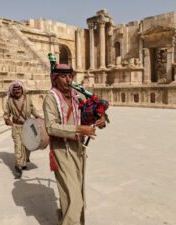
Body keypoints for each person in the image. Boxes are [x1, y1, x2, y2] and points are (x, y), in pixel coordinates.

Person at [43, 64, 105, 225]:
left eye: (70, 76)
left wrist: (99, 120)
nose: (68, 80)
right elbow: (50, 126)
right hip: (61, 150)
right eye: (63, 77)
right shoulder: (51, 97)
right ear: (55, 79)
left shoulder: (76, 95)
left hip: (78, 148)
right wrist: (78, 129)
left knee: (74, 193)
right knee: (75, 197)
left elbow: (85, 116)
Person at [3, 80, 42, 179]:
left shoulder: (27, 99)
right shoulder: (10, 101)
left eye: (18, 89)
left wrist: (38, 117)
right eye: (15, 89)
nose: (17, 91)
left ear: (22, 89)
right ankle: (18, 167)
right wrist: (7, 120)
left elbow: (33, 109)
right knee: (18, 146)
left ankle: (23, 162)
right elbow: (6, 114)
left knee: (28, 145)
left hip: (28, 126)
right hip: (17, 127)